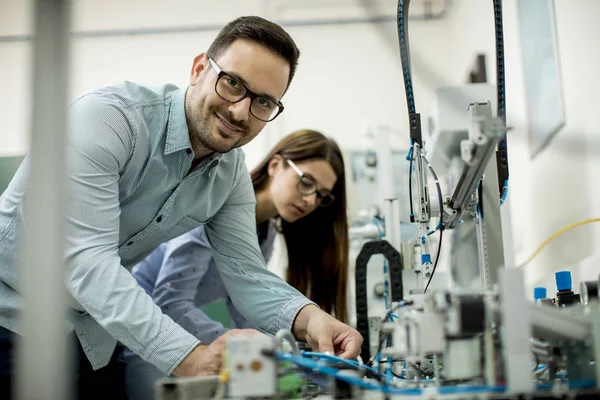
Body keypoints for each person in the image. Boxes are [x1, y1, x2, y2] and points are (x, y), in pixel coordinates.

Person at [0, 16, 362, 399]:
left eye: (263, 102)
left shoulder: (229, 173)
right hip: (12, 318)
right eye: (233, 83)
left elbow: (246, 274)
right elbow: (88, 261)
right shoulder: (109, 119)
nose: (240, 111)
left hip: (92, 336)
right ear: (199, 69)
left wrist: (310, 319)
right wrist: (190, 356)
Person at [123, 129, 350, 398]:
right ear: (275, 165)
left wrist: (279, 346)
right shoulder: (212, 208)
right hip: (143, 333)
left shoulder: (266, 233)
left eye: (322, 195)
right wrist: (241, 342)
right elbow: (169, 302)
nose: (311, 200)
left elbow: (244, 303)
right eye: (306, 182)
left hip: (177, 337)